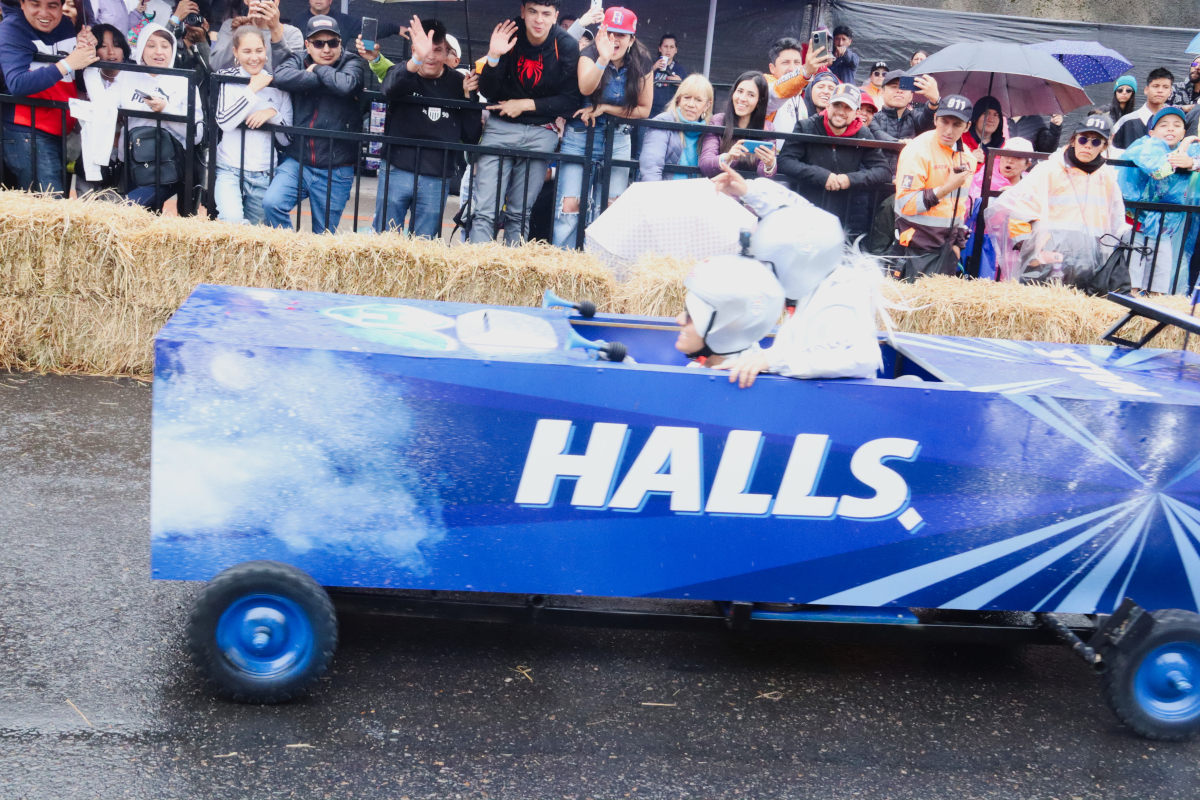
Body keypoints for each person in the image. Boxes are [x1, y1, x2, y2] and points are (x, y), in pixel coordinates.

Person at [709, 161, 885, 387]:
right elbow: (796, 213)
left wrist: (771, 360)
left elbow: (860, 359)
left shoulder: (840, 291)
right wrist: (749, 190)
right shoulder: (817, 281)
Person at [468, 0, 581, 245]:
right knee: (485, 212)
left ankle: (513, 278)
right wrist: (494, 57)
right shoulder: (509, 33)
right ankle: (476, 275)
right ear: (522, 11)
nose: (539, 20)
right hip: (500, 127)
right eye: (533, 12)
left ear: (555, 16)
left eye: (545, 13)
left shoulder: (566, 45)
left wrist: (524, 104)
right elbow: (489, 91)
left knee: (519, 214)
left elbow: (571, 101)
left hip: (540, 132)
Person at [985, 115, 1128, 287]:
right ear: (1074, 140)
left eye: (1096, 142)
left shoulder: (1107, 177)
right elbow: (1020, 211)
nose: (1088, 146)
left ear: (1104, 146)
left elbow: (1116, 221)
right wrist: (1030, 254)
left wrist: (1105, 257)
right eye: (1083, 139)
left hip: (1089, 263)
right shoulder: (1049, 169)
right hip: (1048, 261)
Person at [373, 17, 482, 238]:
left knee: (424, 247)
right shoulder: (404, 70)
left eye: (438, 50)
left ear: (445, 53)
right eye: (425, 50)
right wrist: (415, 60)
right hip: (396, 167)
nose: (431, 56)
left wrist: (470, 99)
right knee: (383, 242)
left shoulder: (457, 82)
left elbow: (471, 137)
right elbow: (389, 88)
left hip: (436, 174)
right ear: (414, 49)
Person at [553, 7, 651, 248]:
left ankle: (602, 269)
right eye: (610, 32)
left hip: (618, 139)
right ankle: (563, 269)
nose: (615, 40)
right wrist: (603, 59)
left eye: (622, 35)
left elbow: (644, 109)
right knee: (570, 206)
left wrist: (605, 108)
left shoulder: (642, 61)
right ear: (601, 32)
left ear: (632, 39)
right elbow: (586, 88)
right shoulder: (588, 54)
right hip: (579, 136)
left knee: (611, 208)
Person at [262, 15, 369, 234]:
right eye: (319, 43)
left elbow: (347, 85)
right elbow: (280, 77)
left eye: (332, 42)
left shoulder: (353, 61)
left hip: (336, 169)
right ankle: (293, 253)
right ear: (307, 45)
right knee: (271, 203)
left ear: (341, 43)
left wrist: (318, 70)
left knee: (323, 236)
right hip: (297, 162)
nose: (326, 49)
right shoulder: (298, 58)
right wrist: (330, 81)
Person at [0, 0, 92, 194]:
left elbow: (75, 72)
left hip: (57, 130)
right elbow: (17, 83)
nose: (44, 12)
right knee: (50, 207)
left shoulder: (66, 24)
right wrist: (67, 64)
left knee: (50, 208)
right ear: (22, 4)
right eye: (35, 4)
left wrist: (87, 45)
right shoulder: (11, 28)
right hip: (26, 130)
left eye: (52, 5)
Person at [212, 19, 291, 225]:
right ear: (236, 52)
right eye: (246, 51)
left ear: (266, 50)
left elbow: (287, 139)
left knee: (255, 237)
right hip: (229, 168)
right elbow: (224, 122)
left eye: (258, 50)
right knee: (232, 221)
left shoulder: (278, 84)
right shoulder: (226, 77)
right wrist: (252, 89)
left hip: (264, 172)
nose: (254, 57)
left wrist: (272, 114)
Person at [891, 94, 976, 279]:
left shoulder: (968, 158)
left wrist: (958, 245)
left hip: (947, 250)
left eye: (957, 125)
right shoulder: (917, 150)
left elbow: (960, 207)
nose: (949, 130)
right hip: (916, 248)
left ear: (967, 127)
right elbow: (907, 204)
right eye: (944, 121)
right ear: (935, 119)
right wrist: (947, 187)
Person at [1117, 106, 1200, 294]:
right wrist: (1184, 148)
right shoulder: (1145, 146)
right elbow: (1159, 171)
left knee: (1160, 274)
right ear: (1152, 132)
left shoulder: (1193, 150)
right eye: (1164, 125)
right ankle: (1129, 311)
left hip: (1165, 226)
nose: (1170, 129)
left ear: (1183, 132)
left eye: (1176, 125)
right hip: (1137, 221)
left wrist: (1193, 163)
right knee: (1132, 276)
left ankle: (1153, 310)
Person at [776, 83, 891, 212]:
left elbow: (884, 170)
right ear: (828, 105)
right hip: (805, 206)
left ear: (856, 113)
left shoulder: (863, 134)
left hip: (844, 210)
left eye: (848, 107)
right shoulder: (806, 127)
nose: (841, 111)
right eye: (837, 105)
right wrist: (822, 176)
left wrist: (849, 179)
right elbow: (784, 161)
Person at [674, 255, 785, 369]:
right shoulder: (696, 368)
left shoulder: (757, 377)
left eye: (691, 314)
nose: (679, 319)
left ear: (727, 326)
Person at [698, 71, 776, 179]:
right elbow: (705, 164)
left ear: (759, 102)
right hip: (720, 189)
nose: (743, 98)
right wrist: (728, 157)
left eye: (751, 95)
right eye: (740, 91)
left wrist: (769, 164)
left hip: (748, 191)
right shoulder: (717, 121)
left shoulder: (768, 128)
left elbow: (763, 175)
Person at [638, 73, 712, 181]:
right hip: (664, 194)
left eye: (698, 100)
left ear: (707, 105)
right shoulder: (663, 122)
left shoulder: (711, 129)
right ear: (679, 99)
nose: (691, 104)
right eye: (687, 97)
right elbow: (651, 169)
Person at [763, 36, 828, 137]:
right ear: (772, 68)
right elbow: (779, 91)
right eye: (785, 62)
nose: (792, 68)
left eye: (797, 62)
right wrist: (805, 72)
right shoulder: (764, 88)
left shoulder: (799, 97)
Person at [210, 0, 301, 71]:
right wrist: (243, 28)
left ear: (276, 1)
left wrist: (275, 29)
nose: (261, 3)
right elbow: (216, 65)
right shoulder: (231, 26)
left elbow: (289, 73)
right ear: (246, 1)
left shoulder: (292, 33)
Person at [1111, 67, 1173, 156]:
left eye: (1165, 87)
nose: (1160, 91)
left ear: (1170, 92)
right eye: (1155, 86)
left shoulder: (1175, 124)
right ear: (1146, 90)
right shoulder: (1127, 121)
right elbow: (1108, 148)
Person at [649, 32, 688, 119]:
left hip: (669, 112)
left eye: (671, 47)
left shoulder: (679, 69)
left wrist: (680, 83)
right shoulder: (650, 64)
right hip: (649, 110)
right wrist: (654, 67)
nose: (668, 50)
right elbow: (639, 80)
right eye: (665, 46)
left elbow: (689, 91)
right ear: (660, 48)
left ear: (676, 50)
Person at [960, 95, 1004, 171]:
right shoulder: (960, 141)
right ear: (976, 117)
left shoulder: (1004, 147)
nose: (991, 119)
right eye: (986, 113)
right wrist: (969, 160)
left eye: (996, 115)